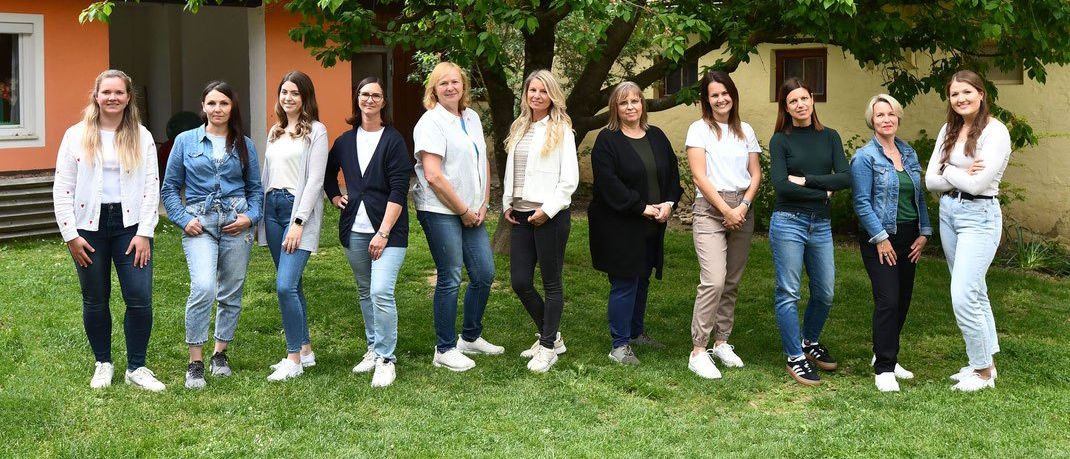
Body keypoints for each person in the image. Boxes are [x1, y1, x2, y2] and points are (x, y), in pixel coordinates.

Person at [52, 69, 165, 392]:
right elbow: (63, 188)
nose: (112, 98)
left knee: (139, 297)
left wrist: (145, 232)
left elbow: (149, 187)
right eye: (107, 92)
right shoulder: (75, 135)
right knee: (95, 299)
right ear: (96, 96)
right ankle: (103, 363)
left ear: (129, 97)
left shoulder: (141, 135)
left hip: (130, 227)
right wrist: (71, 235)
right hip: (88, 228)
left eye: (119, 93)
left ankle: (137, 367)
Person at [162, 81, 263, 390]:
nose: (218, 109)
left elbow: (256, 189)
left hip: (236, 222)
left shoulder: (245, 144)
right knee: (203, 286)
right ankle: (195, 361)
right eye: (212, 103)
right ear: (203, 107)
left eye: (224, 103)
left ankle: (220, 354)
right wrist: (182, 220)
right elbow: (169, 188)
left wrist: (250, 217)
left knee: (231, 291)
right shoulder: (185, 141)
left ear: (232, 108)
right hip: (200, 224)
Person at [412, 61, 503, 371]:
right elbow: (434, 176)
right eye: (442, 83)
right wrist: (462, 209)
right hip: (439, 210)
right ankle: (445, 348)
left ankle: (470, 337)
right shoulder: (431, 122)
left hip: (471, 211)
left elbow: (483, 161)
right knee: (450, 275)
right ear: (433, 90)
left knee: (484, 274)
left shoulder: (472, 117)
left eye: (455, 82)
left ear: (464, 86)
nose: (450, 87)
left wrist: (482, 203)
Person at [924, 70, 1011, 392]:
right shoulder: (949, 129)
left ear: (981, 94)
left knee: (963, 294)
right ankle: (984, 362)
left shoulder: (995, 132)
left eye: (966, 92)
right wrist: (959, 170)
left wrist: (948, 168)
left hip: (980, 216)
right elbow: (930, 181)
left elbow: (978, 184)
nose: (960, 99)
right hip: (949, 212)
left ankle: (983, 371)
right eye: (954, 94)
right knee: (975, 291)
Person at [324, 76, 412, 387]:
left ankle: (387, 358)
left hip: (388, 231)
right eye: (364, 94)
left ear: (383, 102)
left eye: (375, 95)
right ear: (357, 99)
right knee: (365, 292)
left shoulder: (393, 140)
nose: (369, 100)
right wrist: (335, 195)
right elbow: (328, 173)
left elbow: (400, 190)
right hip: (355, 230)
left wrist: (384, 232)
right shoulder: (346, 141)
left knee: (381, 292)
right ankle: (374, 348)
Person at [589, 81, 683, 366]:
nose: (631, 107)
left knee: (642, 278)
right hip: (620, 224)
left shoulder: (656, 136)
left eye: (636, 101)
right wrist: (641, 207)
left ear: (643, 104)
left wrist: (668, 202)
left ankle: (635, 333)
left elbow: (672, 173)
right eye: (623, 102)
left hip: (654, 221)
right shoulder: (607, 140)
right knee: (626, 280)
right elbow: (608, 184)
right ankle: (619, 346)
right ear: (615, 108)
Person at [768, 77, 851, 386]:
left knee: (825, 292)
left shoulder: (830, 137)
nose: (800, 104)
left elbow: (845, 178)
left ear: (812, 101)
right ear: (786, 108)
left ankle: (809, 341)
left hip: (821, 225)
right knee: (789, 291)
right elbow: (780, 185)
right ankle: (795, 357)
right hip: (788, 221)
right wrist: (822, 191)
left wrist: (806, 181)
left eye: (804, 98)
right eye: (793, 101)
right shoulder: (780, 140)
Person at [851, 94, 932, 392]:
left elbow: (918, 196)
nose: (886, 119)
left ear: (898, 118)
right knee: (888, 298)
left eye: (891, 114)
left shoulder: (908, 153)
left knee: (903, 299)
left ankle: (887, 353)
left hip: (910, 235)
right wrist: (880, 238)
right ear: (871, 120)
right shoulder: (864, 157)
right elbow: (861, 202)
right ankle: (884, 369)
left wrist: (924, 233)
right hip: (879, 237)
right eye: (880, 115)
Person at [684, 71, 761, 379]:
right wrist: (725, 210)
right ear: (706, 99)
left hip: (742, 208)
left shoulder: (746, 130)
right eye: (714, 95)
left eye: (725, 93)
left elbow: (755, 173)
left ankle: (722, 342)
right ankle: (698, 350)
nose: (721, 99)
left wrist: (742, 206)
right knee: (713, 279)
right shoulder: (699, 129)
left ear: (733, 94)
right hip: (710, 210)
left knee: (731, 280)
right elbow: (699, 176)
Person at [502, 70, 579, 373]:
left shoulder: (561, 130)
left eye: (543, 91)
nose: (536, 96)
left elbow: (569, 180)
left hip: (550, 216)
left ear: (552, 96)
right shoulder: (520, 127)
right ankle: (553, 335)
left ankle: (547, 346)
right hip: (520, 214)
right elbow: (513, 170)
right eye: (532, 90)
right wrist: (508, 202)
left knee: (551, 283)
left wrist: (548, 210)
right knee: (520, 281)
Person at [257, 71, 328, 382]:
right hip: (271, 208)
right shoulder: (274, 132)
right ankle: (306, 350)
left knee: (285, 285)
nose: (288, 98)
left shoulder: (316, 131)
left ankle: (293, 359)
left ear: (305, 98)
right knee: (293, 284)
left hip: (295, 210)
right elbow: (265, 175)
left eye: (295, 93)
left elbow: (314, 181)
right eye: (284, 92)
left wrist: (299, 221)